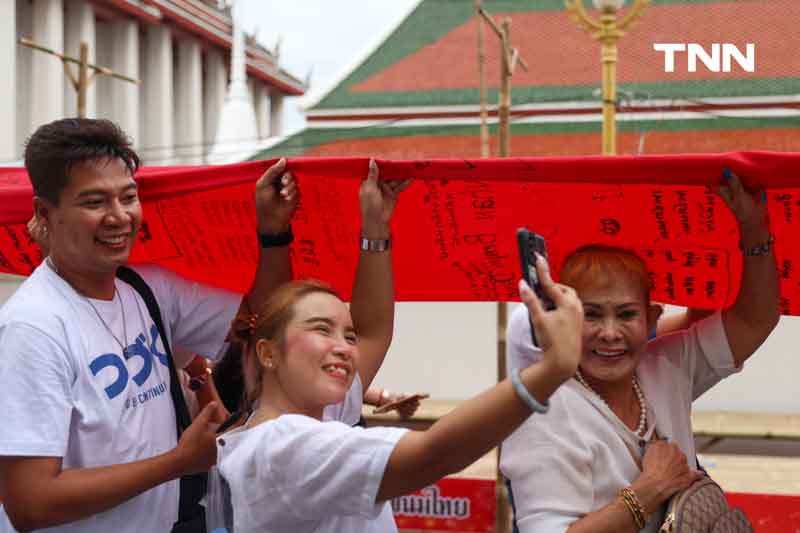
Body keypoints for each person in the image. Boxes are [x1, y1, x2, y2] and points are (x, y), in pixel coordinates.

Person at [0, 118, 298, 533]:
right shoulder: (31, 330)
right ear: (45, 212)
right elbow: (30, 502)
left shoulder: (144, 287)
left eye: (129, 196)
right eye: (94, 202)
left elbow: (264, 319)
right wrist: (178, 462)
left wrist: (273, 233)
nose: (119, 216)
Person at [500, 171, 779, 532]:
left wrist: (754, 230)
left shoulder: (663, 366)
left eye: (627, 314)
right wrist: (649, 490)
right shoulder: (543, 412)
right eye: (592, 315)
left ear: (651, 317)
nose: (610, 333)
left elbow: (754, 321)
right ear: (564, 319)